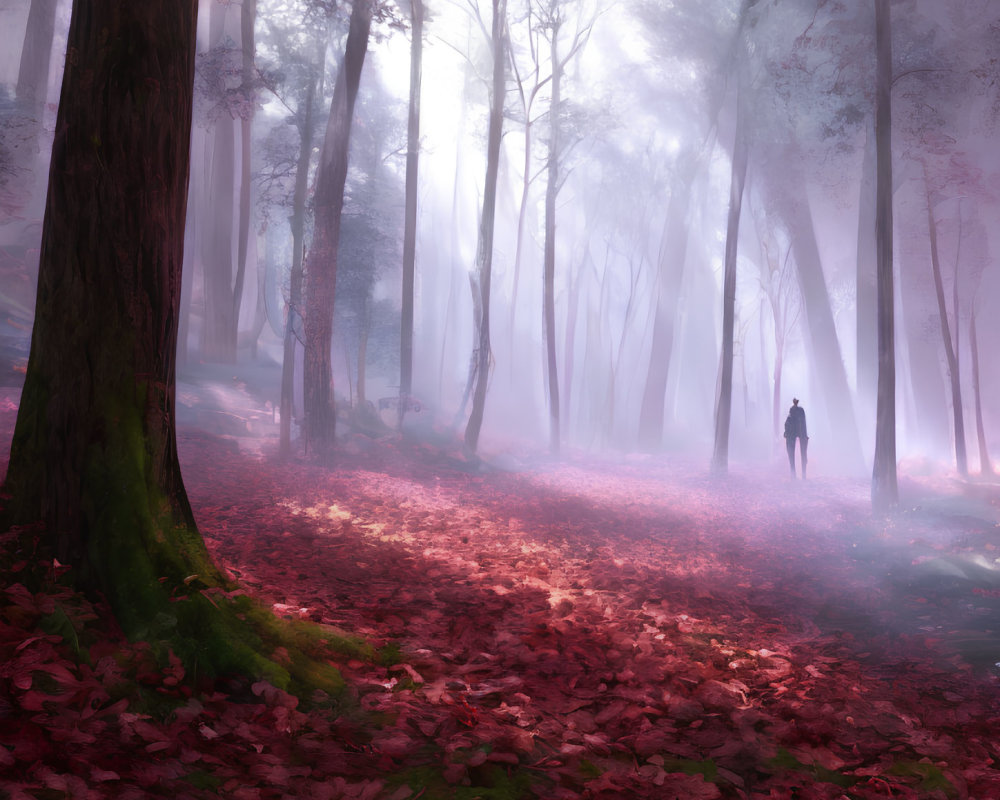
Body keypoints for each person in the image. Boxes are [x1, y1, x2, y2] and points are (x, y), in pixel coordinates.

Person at [783, 398, 808, 478]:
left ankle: (797, 474)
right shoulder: (799, 413)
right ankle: (797, 474)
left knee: (797, 453)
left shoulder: (797, 413)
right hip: (794, 432)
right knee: (800, 453)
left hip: (796, 432)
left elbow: (803, 426)